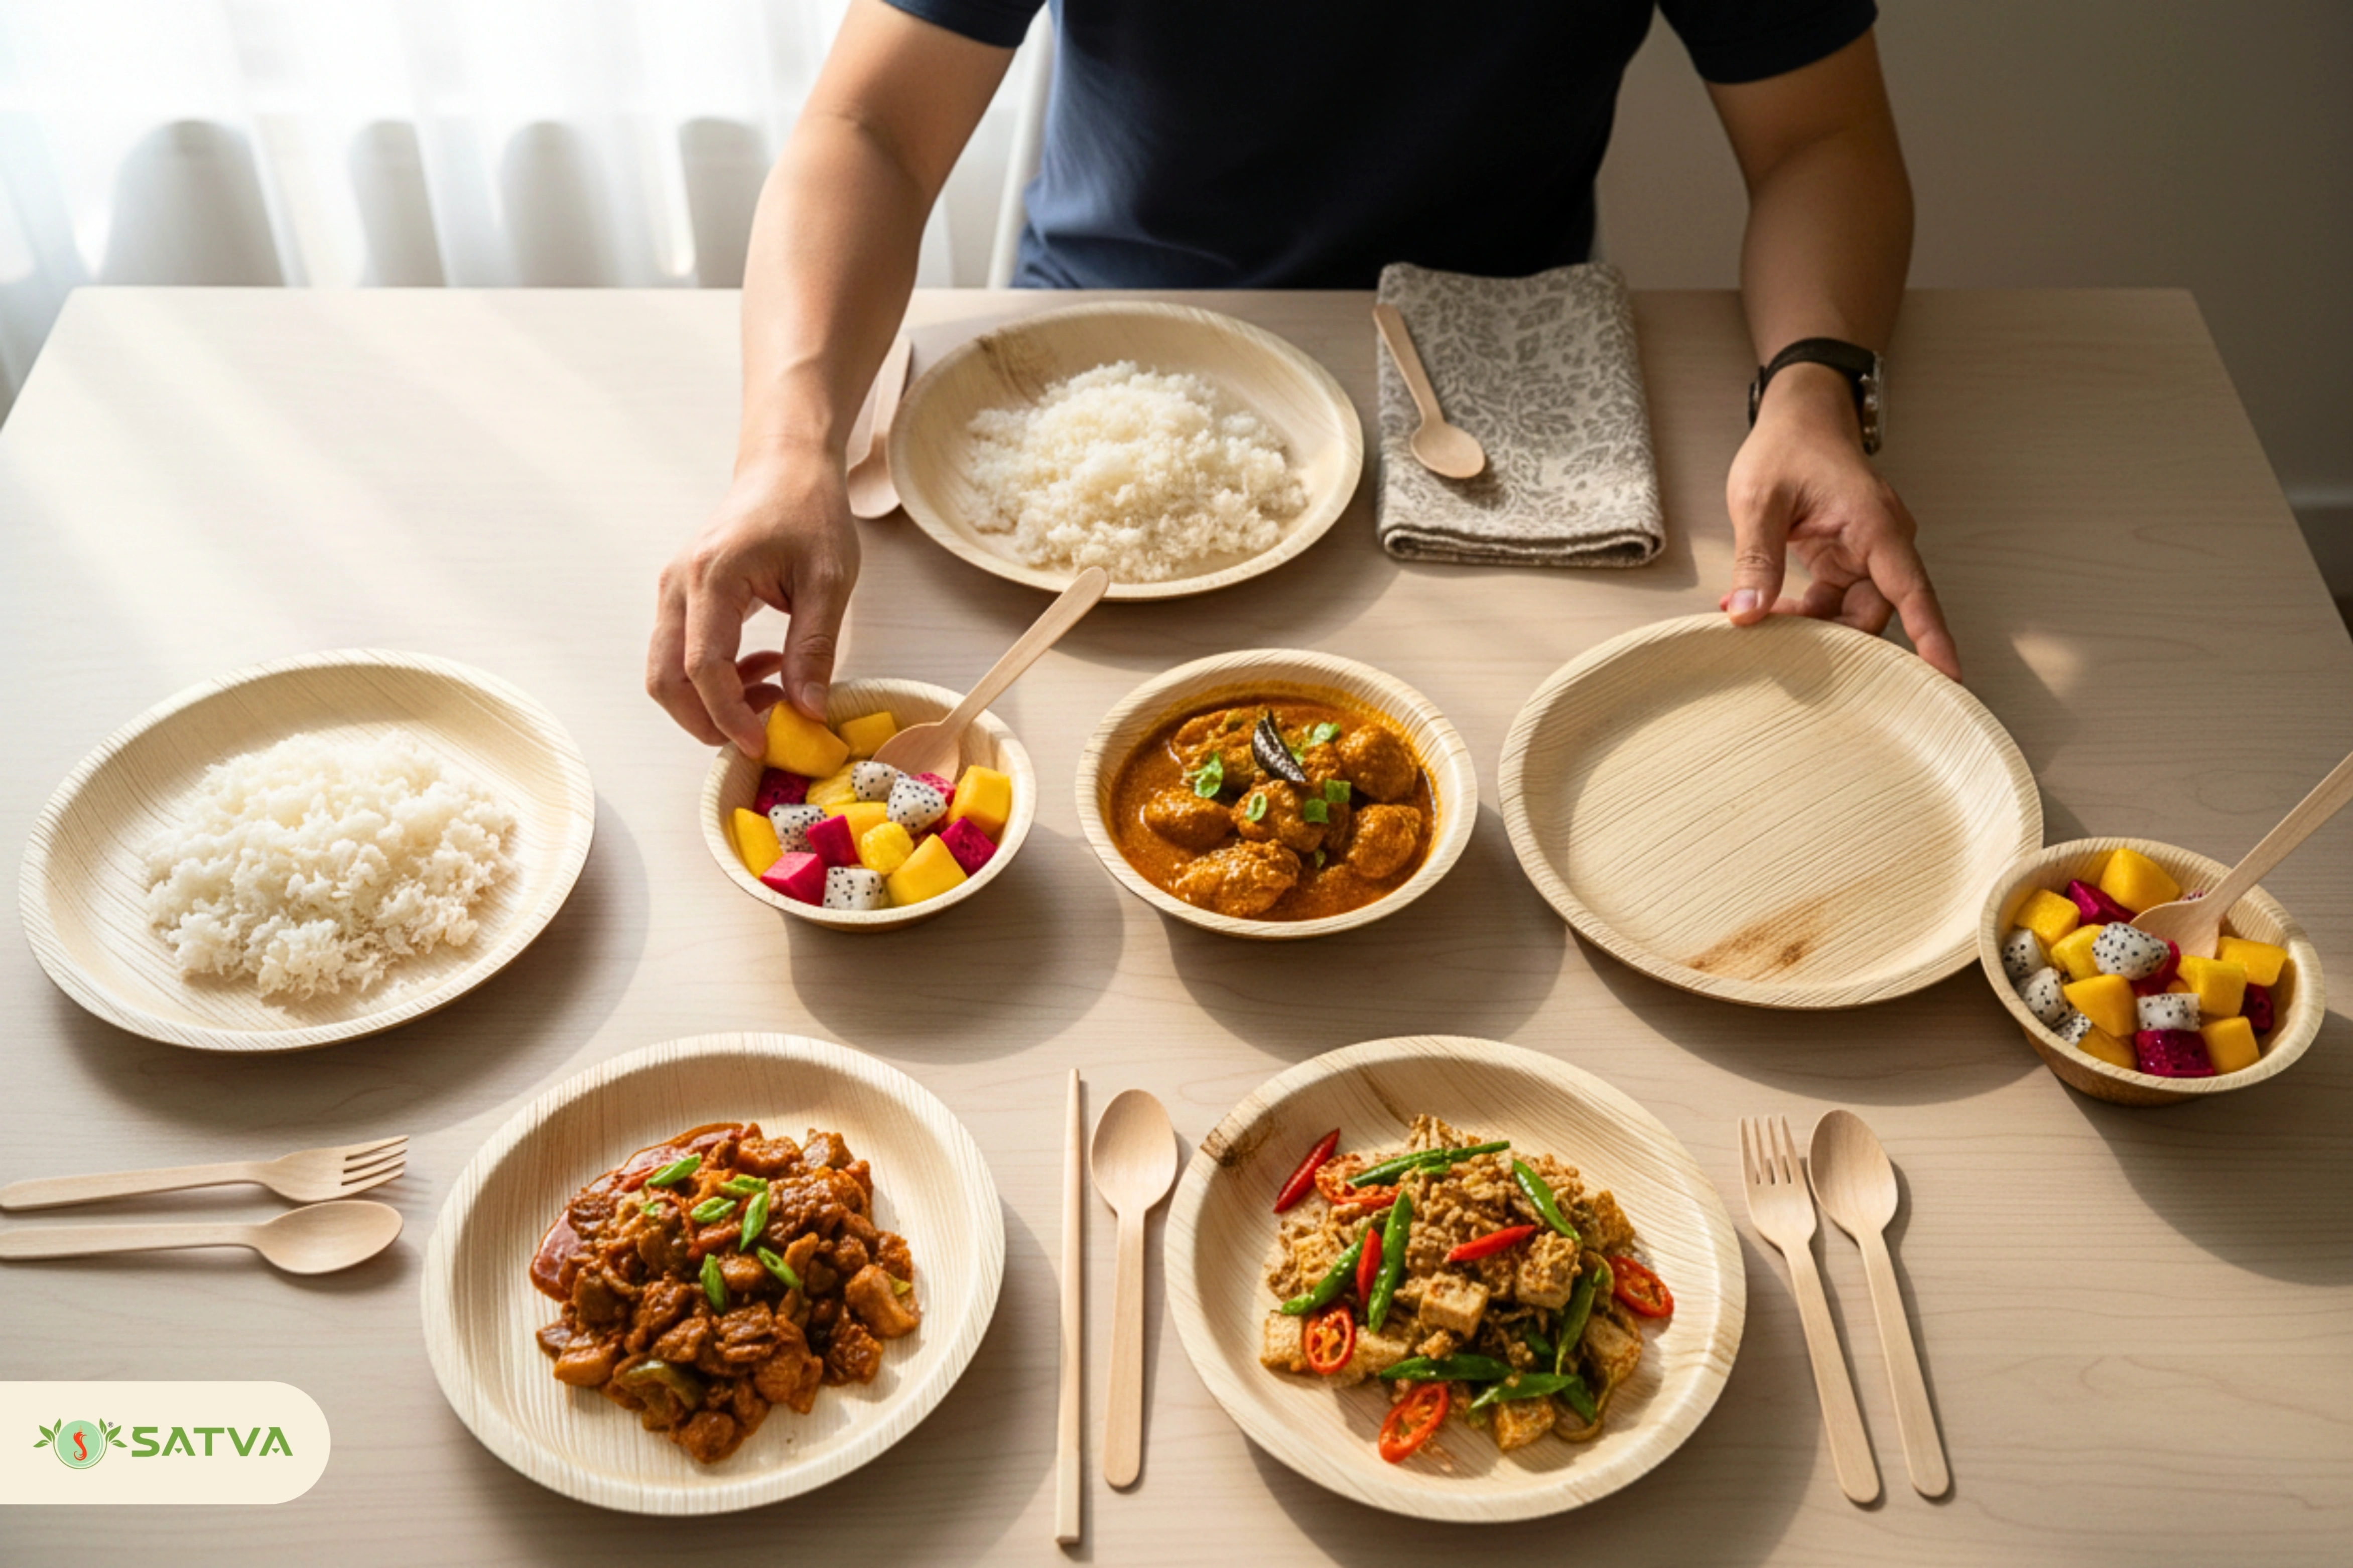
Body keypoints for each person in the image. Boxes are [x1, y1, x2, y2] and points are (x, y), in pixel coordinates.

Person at [647, 0, 1962, 757]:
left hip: (1502, 408)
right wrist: (790, 441)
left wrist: (1812, 390)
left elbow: (1824, 138)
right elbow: (870, 123)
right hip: (1095, 388)